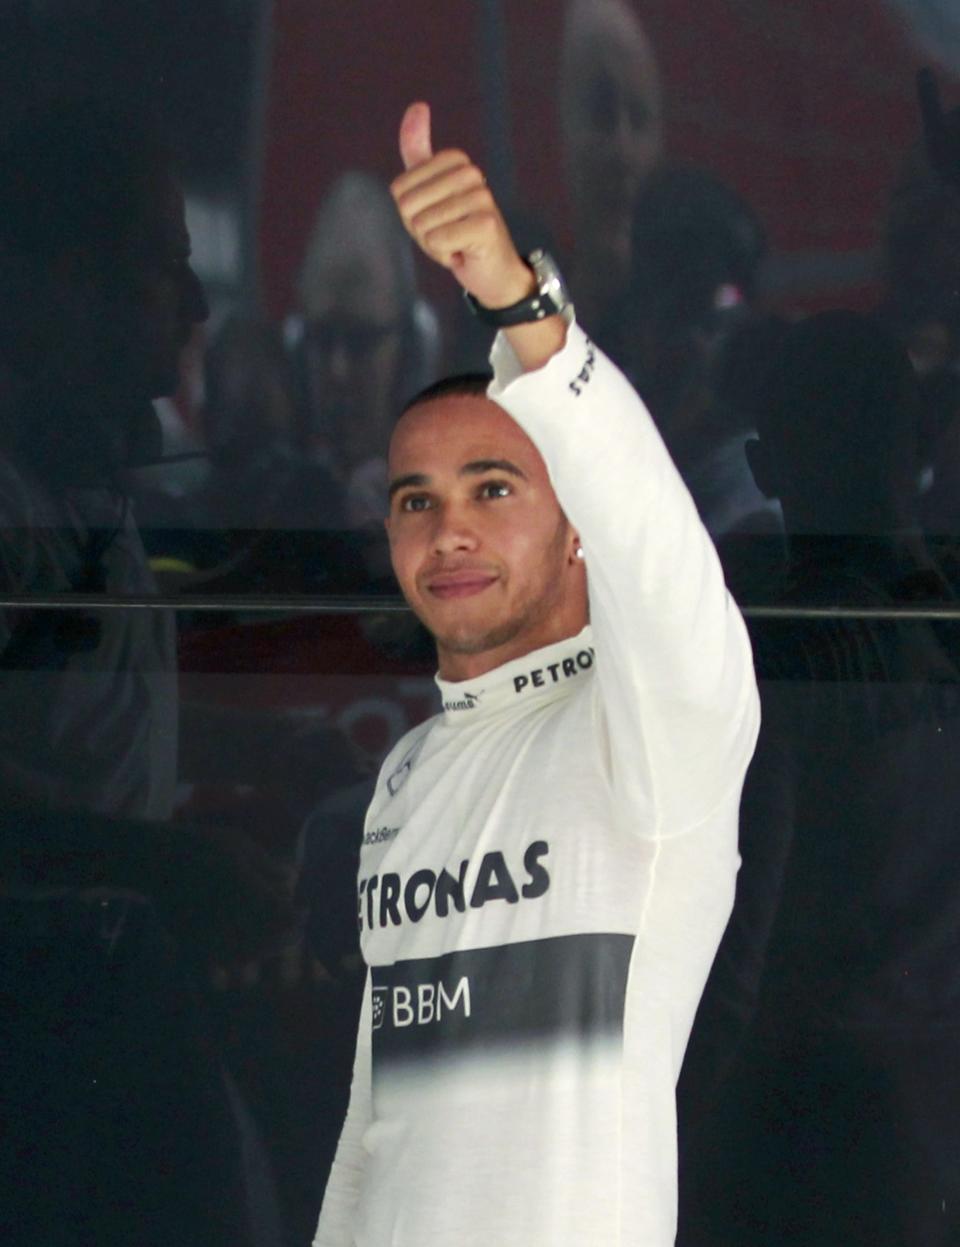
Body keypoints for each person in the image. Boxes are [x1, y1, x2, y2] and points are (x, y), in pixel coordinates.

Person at [313, 101, 759, 1247]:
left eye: (494, 488)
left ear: (579, 532)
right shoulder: (408, 771)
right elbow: (377, 1124)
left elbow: (661, 554)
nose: (448, 530)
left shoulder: (654, 729)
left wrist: (523, 309)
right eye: (418, 500)